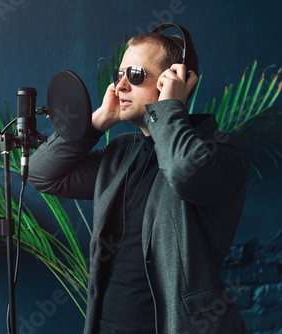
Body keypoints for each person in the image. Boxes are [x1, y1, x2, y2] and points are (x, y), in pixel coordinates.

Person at [28, 26, 250, 334]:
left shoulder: (221, 151)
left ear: (172, 80)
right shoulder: (120, 154)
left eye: (134, 74)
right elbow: (41, 173)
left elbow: (183, 172)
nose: (119, 85)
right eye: (119, 74)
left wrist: (170, 107)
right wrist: (96, 122)